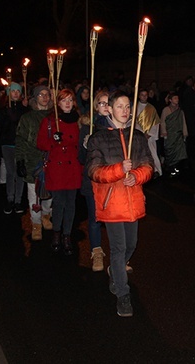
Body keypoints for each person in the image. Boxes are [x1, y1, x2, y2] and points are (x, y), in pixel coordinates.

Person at [86, 90, 154, 317]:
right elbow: (94, 171)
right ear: (109, 109)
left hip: (133, 201)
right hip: (112, 202)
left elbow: (148, 165)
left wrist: (136, 176)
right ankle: (123, 295)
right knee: (118, 248)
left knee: (131, 244)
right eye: (120, 107)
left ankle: (115, 272)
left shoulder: (138, 136)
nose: (125, 111)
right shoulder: (98, 138)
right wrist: (118, 170)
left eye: (128, 107)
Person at [37, 88, 82, 255]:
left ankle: (67, 235)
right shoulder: (50, 121)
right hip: (57, 168)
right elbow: (40, 143)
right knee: (59, 203)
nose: (68, 103)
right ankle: (56, 233)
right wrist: (53, 140)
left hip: (73, 168)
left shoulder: (79, 120)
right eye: (64, 100)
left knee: (71, 204)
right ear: (58, 103)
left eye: (70, 100)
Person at [15, 85, 54, 240]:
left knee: (49, 193)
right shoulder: (27, 118)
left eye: (47, 95)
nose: (44, 97)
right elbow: (21, 140)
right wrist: (20, 160)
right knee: (34, 196)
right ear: (35, 98)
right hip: (33, 161)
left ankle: (46, 216)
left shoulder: (54, 116)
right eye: (41, 95)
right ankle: (36, 223)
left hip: (50, 161)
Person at [78, 91, 110, 271]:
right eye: (101, 103)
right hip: (93, 180)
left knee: (114, 220)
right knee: (95, 217)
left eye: (107, 103)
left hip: (112, 181)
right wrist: (85, 146)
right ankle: (96, 253)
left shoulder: (117, 126)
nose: (105, 106)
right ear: (95, 106)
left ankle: (119, 257)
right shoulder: (88, 127)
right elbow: (81, 159)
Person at [0, 82, 29, 214]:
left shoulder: (24, 109)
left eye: (18, 91)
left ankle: (18, 200)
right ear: (8, 93)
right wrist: (6, 115)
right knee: (10, 172)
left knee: (20, 172)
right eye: (13, 91)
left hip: (20, 144)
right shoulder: (2, 109)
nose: (15, 93)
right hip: (7, 143)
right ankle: (10, 198)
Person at [135, 88, 162, 177]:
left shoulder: (151, 108)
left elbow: (156, 122)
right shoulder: (134, 107)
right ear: (139, 96)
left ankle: (156, 170)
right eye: (142, 95)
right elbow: (133, 122)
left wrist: (149, 134)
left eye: (146, 95)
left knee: (153, 153)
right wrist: (141, 133)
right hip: (139, 136)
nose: (144, 97)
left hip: (150, 136)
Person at [160, 92, 188, 177]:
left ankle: (176, 168)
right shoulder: (166, 110)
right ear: (170, 100)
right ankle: (169, 168)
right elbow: (163, 121)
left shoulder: (180, 111)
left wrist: (185, 133)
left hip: (178, 135)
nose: (177, 100)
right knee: (170, 151)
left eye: (177, 98)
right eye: (175, 98)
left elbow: (183, 122)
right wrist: (164, 132)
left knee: (178, 153)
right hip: (170, 134)